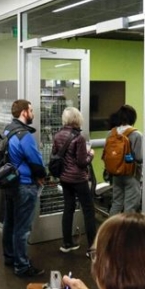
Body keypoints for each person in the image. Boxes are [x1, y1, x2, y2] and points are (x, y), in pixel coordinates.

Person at [2, 99, 47, 277]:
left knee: (10, 222)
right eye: (31, 110)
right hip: (25, 185)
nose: (33, 113)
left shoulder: (7, 130)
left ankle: (10, 257)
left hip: (10, 183)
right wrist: (42, 175)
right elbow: (36, 161)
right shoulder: (24, 136)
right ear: (24, 113)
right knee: (22, 228)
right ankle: (22, 265)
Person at [52, 107, 97, 255]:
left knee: (68, 208)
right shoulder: (79, 138)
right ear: (77, 119)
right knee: (89, 211)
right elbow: (82, 162)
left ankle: (67, 243)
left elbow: (55, 155)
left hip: (64, 178)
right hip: (78, 179)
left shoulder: (57, 135)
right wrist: (91, 154)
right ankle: (92, 248)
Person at [108, 105, 143, 215]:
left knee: (116, 204)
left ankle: (111, 230)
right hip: (131, 175)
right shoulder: (136, 134)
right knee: (130, 206)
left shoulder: (111, 133)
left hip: (116, 174)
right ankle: (127, 231)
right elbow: (139, 158)